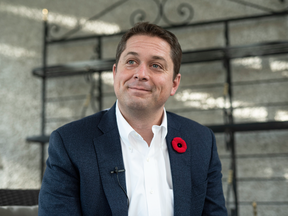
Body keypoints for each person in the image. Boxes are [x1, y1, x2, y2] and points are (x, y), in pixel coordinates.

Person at [38, 22, 227, 216]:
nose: (141, 74)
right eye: (131, 62)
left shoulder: (201, 141)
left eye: (156, 65)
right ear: (115, 73)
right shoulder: (70, 143)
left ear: (174, 83)